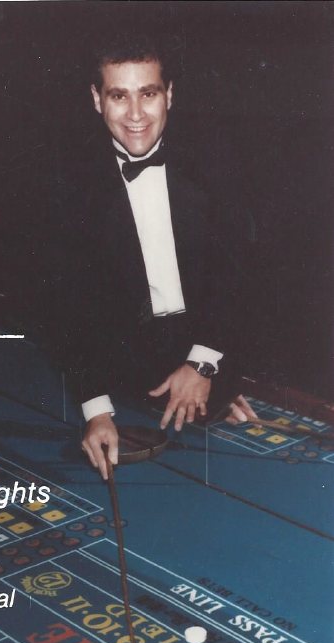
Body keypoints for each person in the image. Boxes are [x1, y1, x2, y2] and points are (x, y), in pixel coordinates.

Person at [49, 33, 256, 479]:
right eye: (118, 96)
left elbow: (242, 277)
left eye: (149, 93)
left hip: (215, 347)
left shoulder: (220, 166)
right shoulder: (69, 190)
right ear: (96, 100)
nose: (136, 114)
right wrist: (97, 411)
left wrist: (208, 364)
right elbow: (71, 311)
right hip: (126, 368)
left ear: (169, 95)